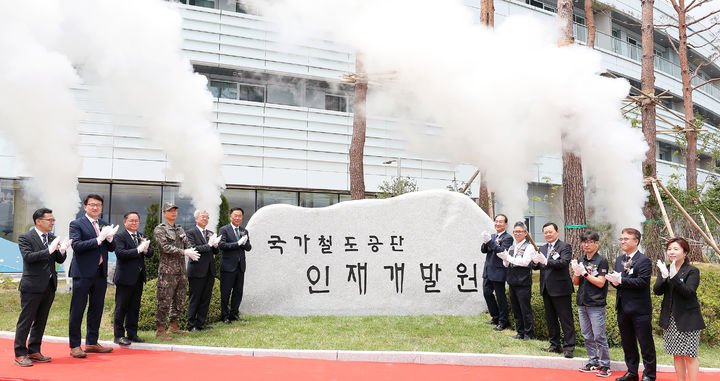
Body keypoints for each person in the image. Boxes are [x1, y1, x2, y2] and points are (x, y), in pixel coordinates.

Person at [13, 208, 69, 367]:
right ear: (38, 221)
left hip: (50, 285)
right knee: (26, 320)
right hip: (32, 286)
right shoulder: (25, 237)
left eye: (53, 220)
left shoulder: (51, 237)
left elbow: (58, 259)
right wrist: (48, 250)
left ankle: (34, 350)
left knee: (41, 320)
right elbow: (28, 257)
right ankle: (20, 353)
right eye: (49, 220)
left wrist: (62, 249)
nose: (52, 222)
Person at [68, 194, 118, 358]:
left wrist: (110, 238)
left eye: (98, 205)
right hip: (82, 272)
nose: (95, 207)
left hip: (100, 272)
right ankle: (75, 345)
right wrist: (98, 239)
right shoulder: (76, 224)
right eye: (92, 205)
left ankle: (91, 342)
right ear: (85, 207)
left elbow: (111, 248)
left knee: (96, 308)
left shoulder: (103, 223)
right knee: (78, 309)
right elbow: (76, 246)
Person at [606, 228, 656, 381]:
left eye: (626, 239)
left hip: (640, 309)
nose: (622, 242)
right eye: (621, 239)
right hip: (623, 307)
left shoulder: (644, 260)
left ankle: (649, 374)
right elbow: (621, 283)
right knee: (628, 343)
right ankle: (632, 372)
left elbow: (642, 282)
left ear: (636, 241)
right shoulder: (620, 259)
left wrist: (621, 280)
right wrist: (614, 281)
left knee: (645, 343)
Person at [654, 237, 705, 381]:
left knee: (690, 355)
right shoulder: (666, 269)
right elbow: (657, 291)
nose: (671, 252)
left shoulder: (692, 271)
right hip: (670, 319)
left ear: (685, 252)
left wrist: (673, 276)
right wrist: (664, 277)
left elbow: (688, 292)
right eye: (669, 249)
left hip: (688, 319)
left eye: (676, 249)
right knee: (677, 354)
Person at [153, 202, 199, 339]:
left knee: (179, 300)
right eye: (170, 210)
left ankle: (173, 326)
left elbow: (188, 244)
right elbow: (164, 247)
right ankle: (160, 330)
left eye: (175, 210)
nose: (173, 213)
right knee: (164, 301)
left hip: (181, 271)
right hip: (167, 272)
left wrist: (193, 250)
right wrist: (184, 251)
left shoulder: (180, 230)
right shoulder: (160, 229)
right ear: (164, 213)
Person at [531, 222, 576, 358]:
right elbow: (536, 267)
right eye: (545, 232)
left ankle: (568, 347)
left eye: (550, 231)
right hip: (546, 288)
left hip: (561, 289)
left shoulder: (564, 246)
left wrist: (546, 262)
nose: (548, 234)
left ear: (557, 232)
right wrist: (535, 262)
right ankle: (554, 345)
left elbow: (563, 262)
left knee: (565, 319)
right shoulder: (543, 248)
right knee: (551, 319)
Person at [571, 230, 611, 377]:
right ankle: (593, 361)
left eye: (590, 242)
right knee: (587, 335)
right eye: (584, 242)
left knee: (599, 335)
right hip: (582, 302)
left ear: (596, 244)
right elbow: (576, 283)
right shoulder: (581, 260)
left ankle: (605, 365)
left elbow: (601, 283)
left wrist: (585, 274)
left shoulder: (601, 261)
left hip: (596, 303)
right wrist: (576, 272)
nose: (586, 244)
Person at [112, 211, 153, 345]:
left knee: (134, 307)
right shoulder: (120, 237)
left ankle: (132, 334)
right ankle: (118, 335)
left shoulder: (142, 235)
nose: (134, 223)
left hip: (138, 278)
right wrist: (138, 250)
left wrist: (146, 249)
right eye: (131, 220)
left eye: (136, 220)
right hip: (124, 278)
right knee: (121, 307)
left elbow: (150, 253)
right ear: (125, 222)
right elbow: (120, 253)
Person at [497, 221, 535, 341]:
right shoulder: (513, 247)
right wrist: (505, 258)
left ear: (525, 233)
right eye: (515, 231)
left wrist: (508, 257)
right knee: (516, 309)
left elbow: (525, 262)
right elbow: (507, 264)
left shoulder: (529, 247)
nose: (517, 233)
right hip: (512, 281)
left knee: (525, 309)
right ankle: (520, 332)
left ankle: (528, 334)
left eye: (520, 231)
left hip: (523, 283)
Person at [186, 210, 220, 332]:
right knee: (195, 298)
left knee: (206, 298)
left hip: (209, 271)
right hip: (196, 271)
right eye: (202, 217)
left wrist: (215, 245)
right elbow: (193, 248)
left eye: (207, 217)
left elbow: (215, 252)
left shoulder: (210, 233)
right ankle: (191, 325)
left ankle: (201, 323)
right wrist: (209, 245)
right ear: (196, 219)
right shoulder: (190, 233)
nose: (205, 219)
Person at [218, 207, 252, 324]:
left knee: (238, 292)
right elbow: (222, 245)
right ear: (230, 217)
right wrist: (237, 243)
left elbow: (249, 247)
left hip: (240, 266)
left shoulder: (244, 231)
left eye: (240, 216)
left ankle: (234, 314)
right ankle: (224, 316)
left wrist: (244, 242)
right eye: (235, 215)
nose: (238, 218)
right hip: (228, 267)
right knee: (226, 292)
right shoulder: (224, 229)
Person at [480, 214, 513, 331]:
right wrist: (485, 242)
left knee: (500, 297)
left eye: (500, 222)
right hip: (488, 270)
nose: (498, 224)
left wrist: (490, 242)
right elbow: (484, 251)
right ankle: (495, 316)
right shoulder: (492, 236)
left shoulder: (508, 238)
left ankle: (503, 321)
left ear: (505, 224)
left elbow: (501, 251)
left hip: (499, 271)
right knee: (487, 293)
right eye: (496, 221)